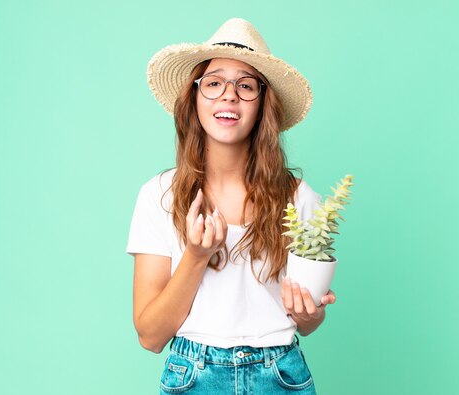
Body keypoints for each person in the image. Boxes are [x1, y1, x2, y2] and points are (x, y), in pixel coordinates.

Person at [127, 18, 336, 394]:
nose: (229, 95)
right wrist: (195, 254)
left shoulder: (299, 199)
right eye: (213, 83)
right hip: (193, 378)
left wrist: (311, 312)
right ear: (194, 98)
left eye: (245, 85)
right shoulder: (158, 197)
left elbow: (306, 321)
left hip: (281, 376)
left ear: (263, 104)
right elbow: (150, 336)